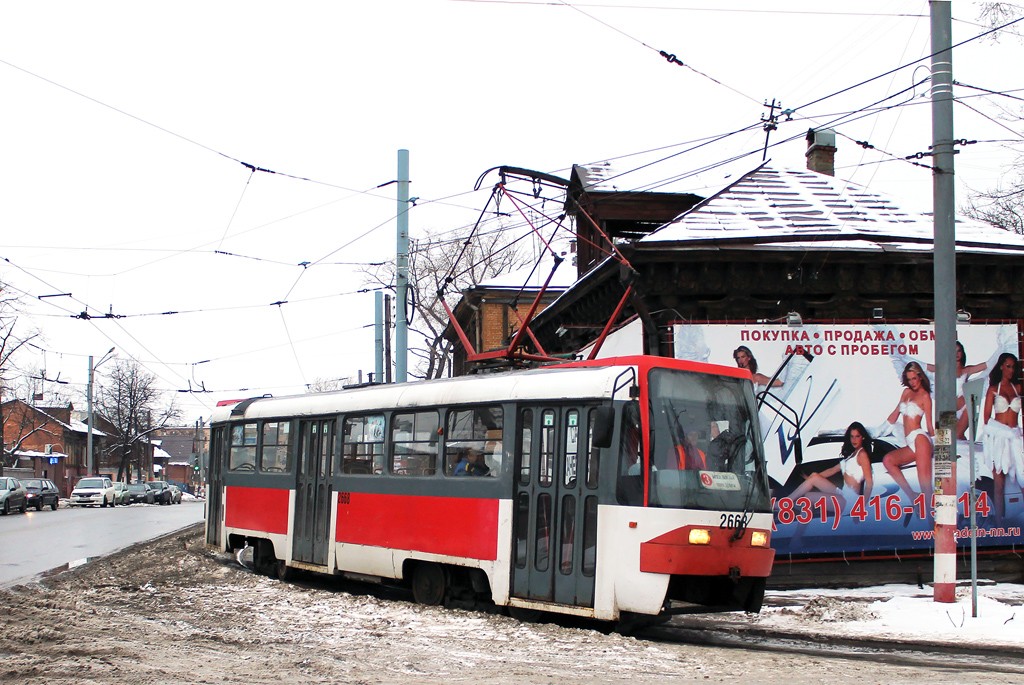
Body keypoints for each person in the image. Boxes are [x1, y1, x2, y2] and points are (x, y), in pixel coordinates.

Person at [787, 422, 874, 511]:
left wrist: (862, 505)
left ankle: (786, 503)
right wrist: (809, 479)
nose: (854, 440)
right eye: (852, 436)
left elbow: (869, 482)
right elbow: (832, 470)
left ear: (863, 437)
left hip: (850, 501)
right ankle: (787, 502)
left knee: (809, 496)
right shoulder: (852, 455)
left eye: (857, 436)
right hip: (843, 493)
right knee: (812, 482)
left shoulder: (862, 455)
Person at [880, 361, 934, 502]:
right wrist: (879, 430)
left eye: (914, 378)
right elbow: (894, 415)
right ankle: (913, 496)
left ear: (920, 376)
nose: (912, 382)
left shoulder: (925, 396)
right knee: (888, 460)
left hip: (920, 439)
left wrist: (937, 444)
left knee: (925, 487)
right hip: (910, 441)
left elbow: (929, 425)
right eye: (909, 379)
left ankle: (930, 516)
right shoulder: (906, 392)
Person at [925, 341, 1001, 440]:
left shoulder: (967, 370)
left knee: (957, 435)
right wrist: (904, 357)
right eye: (954, 351)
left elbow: (988, 365)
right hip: (947, 407)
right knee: (945, 440)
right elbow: (921, 366)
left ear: (962, 353)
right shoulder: (942, 370)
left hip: (965, 406)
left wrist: (1002, 348)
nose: (957, 354)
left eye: (959, 351)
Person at [981, 353, 1024, 520]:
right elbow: (986, 418)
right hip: (999, 438)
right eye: (1008, 366)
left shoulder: (1018, 388)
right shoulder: (993, 389)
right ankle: (1000, 527)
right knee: (998, 486)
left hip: (1015, 438)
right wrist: (999, 432)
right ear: (1001, 367)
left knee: (1022, 480)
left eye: (1013, 367)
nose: (1011, 370)